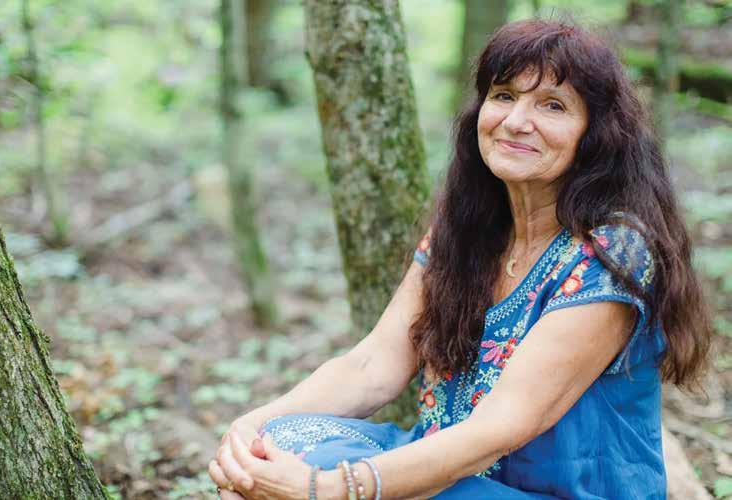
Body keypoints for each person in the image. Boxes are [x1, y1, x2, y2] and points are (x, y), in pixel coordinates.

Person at [208, 19, 712, 499]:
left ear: (596, 135)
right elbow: (372, 365)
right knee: (268, 453)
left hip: (550, 492)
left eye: (553, 106)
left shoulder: (612, 253)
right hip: (446, 475)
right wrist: (251, 427)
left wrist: (332, 488)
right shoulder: (469, 232)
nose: (516, 121)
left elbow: (502, 426)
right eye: (504, 96)